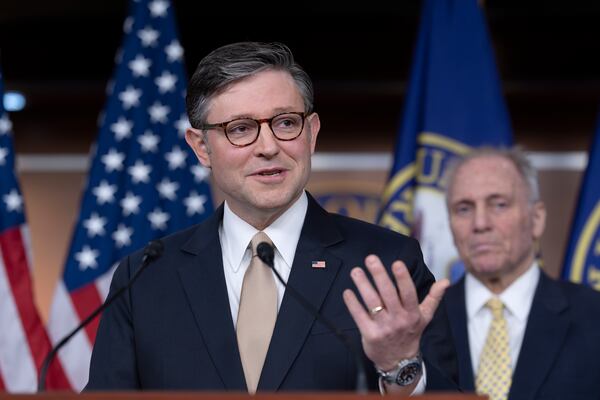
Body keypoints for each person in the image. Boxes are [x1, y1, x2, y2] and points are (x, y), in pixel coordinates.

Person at [86, 41, 457, 393]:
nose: (268, 147)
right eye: (241, 129)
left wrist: (400, 368)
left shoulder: (388, 264)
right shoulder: (146, 278)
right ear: (201, 148)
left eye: (285, 123)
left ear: (310, 134)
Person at [442, 147, 600, 400]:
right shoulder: (420, 324)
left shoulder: (594, 316)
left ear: (536, 218)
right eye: (464, 209)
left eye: (499, 205)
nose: (480, 223)